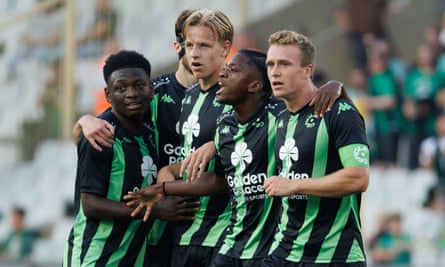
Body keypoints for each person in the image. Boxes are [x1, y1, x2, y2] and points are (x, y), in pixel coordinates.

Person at [261, 30, 370, 266]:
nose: (274, 72)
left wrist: (295, 185)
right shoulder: (278, 116)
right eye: (270, 64)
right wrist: (210, 146)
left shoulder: (340, 113)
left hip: (334, 256)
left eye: (284, 64)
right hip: (283, 254)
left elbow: (358, 178)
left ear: (307, 70)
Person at [62, 50, 161, 266]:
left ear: (151, 89)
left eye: (139, 85)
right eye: (121, 88)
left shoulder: (150, 134)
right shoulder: (99, 135)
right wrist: (158, 211)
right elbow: (90, 205)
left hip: (132, 257)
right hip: (95, 257)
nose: (132, 93)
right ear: (108, 95)